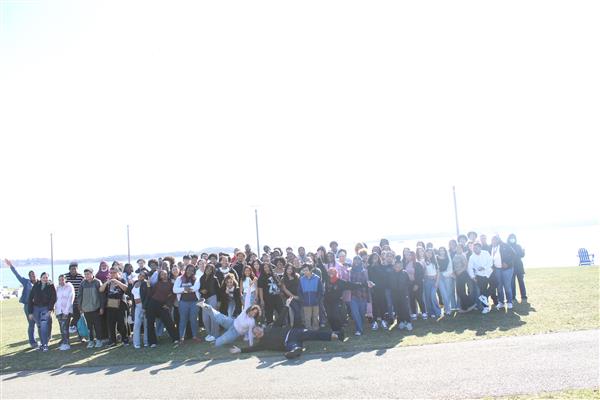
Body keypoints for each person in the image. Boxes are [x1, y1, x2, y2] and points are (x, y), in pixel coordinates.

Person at [230, 325, 340, 359]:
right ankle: (295, 351)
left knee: (311, 333)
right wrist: (240, 350)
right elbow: (253, 349)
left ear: (261, 328)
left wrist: (286, 306)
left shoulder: (270, 329)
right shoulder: (262, 343)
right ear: (256, 336)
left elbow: (280, 319)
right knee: (293, 346)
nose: (257, 332)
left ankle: (333, 335)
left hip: (293, 333)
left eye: (257, 329)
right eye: (255, 333)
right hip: (288, 343)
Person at [5, 259, 38, 348]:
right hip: (28, 306)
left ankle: (44, 340)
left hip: (37, 306)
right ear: (29, 276)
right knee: (31, 324)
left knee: (40, 323)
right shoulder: (26, 282)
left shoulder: (39, 283)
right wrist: (11, 266)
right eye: (31, 275)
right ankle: (32, 342)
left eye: (34, 274)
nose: (33, 276)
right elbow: (17, 275)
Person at [323, 267, 367, 335]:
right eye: (329, 273)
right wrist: (318, 260)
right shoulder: (327, 279)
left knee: (336, 316)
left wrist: (365, 284)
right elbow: (323, 269)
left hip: (336, 302)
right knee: (330, 316)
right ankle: (334, 330)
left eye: (332, 273)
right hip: (327, 303)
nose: (331, 274)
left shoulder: (340, 282)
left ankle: (339, 330)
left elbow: (352, 285)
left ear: (336, 273)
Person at [144, 270, 179, 347]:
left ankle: (175, 338)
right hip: (152, 303)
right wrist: (148, 285)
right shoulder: (157, 284)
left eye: (165, 274)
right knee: (150, 323)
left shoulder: (171, 284)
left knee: (169, 321)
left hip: (163, 305)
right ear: (160, 276)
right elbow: (150, 294)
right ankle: (152, 342)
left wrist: (168, 304)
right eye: (162, 274)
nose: (164, 275)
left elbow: (173, 295)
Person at [99, 266, 129, 346]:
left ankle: (125, 339)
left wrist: (116, 281)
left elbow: (126, 289)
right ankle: (112, 340)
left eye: (114, 272)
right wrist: (107, 282)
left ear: (118, 272)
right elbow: (101, 289)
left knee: (122, 323)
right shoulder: (108, 281)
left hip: (120, 304)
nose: (112, 274)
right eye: (111, 273)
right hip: (110, 304)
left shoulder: (122, 280)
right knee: (111, 324)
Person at [28, 272, 56, 352]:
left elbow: (53, 298)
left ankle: (45, 345)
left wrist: (50, 309)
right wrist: (30, 312)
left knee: (44, 326)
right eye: (43, 277)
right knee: (39, 326)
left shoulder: (51, 286)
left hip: (45, 308)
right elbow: (30, 298)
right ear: (40, 278)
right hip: (36, 309)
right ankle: (43, 343)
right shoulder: (36, 285)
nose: (45, 279)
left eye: (46, 277)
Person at [173, 265, 201, 343]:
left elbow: (196, 288)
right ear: (186, 269)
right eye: (189, 269)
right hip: (183, 302)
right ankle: (181, 338)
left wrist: (183, 290)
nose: (190, 271)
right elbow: (175, 290)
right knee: (183, 320)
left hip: (194, 302)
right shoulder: (179, 278)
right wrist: (185, 289)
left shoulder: (196, 278)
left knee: (194, 320)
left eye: (192, 270)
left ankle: (195, 336)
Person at [79, 268, 104, 348]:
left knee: (97, 326)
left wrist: (101, 307)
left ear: (92, 274)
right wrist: (80, 307)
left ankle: (99, 340)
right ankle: (91, 341)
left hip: (96, 308)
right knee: (89, 326)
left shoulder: (97, 282)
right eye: (85, 274)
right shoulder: (83, 283)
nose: (86, 276)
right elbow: (80, 296)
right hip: (86, 309)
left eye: (88, 274)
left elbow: (101, 295)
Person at [491, 235, 516, 310]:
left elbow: (513, 254)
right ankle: (501, 302)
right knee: (499, 287)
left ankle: (509, 302)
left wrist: (507, 263)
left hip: (507, 269)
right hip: (497, 269)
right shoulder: (492, 247)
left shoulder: (504, 245)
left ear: (498, 239)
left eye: (495, 239)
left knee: (507, 286)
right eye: (493, 240)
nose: (494, 241)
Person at [468, 243, 494, 314]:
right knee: (482, 291)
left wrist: (484, 267)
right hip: (480, 276)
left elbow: (490, 262)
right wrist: (473, 277)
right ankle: (485, 307)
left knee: (495, 284)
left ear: (480, 248)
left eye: (477, 248)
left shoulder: (486, 253)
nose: (475, 249)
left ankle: (485, 296)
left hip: (489, 273)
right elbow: (470, 268)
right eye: (474, 248)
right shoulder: (472, 257)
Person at [297, 265, 323, 330]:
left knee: (315, 317)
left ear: (310, 270)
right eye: (304, 270)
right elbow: (299, 291)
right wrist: (303, 299)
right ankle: (308, 330)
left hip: (315, 302)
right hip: (306, 302)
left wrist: (317, 299)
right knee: (307, 317)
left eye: (306, 270)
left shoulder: (317, 278)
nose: (304, 272)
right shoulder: (301, 279)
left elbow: (321, 290)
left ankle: (315, 329)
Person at [200, 263, 221, 341]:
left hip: (213, 297)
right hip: (204, 299)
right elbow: (200, 288)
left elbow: (219, 291)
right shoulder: (202, 278)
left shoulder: (215, 278)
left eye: (210, 269)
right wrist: (201, 290)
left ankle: (215, 334)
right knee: (205, 318)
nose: (208, 270)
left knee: (213, 317)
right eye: (207, 268)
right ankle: (209, 333)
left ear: (213, 271)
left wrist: (219, 301)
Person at [390, 256, 412, 331]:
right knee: (397, 308)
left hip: (403, 293)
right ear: (394, 266)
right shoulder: (391, 273)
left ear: (402, 266)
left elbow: (408, 282)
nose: (398, 268)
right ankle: (400, 321)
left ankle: (408, 322)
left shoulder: (404, 273)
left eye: (399, 266)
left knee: (405, 308)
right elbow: (389, 283)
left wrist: (405, 288)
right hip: (395, 294)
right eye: (396, 266)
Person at [349, 256, 369, 336]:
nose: (356, 262)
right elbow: (348, 282)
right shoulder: (350, 271)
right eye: (355, 260)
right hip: (353, 295)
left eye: (358, 260)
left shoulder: (365, 271)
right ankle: (359, 330)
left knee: (362, 314)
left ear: (361, 261)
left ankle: (360, 326)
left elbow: (367, 283)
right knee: (355, 313)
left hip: (363, 295)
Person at [368, 253, 389, 329]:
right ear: (371, 259)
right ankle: (375, 322)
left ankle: (383, 321)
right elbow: (368, 277)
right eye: (373, 257)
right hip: (372, 289)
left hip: (381, 289)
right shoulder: (369, 267)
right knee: (374, 306)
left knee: (382, 305)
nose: (375, 259)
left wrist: (376, 267)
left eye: (376, 257)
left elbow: (384, 276)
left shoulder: (382, 267)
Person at [454, 245, 477, 313]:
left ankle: (468, 306)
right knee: (459, 291)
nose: (458, 249)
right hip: (458, 275)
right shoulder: (455, 256)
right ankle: (467, 306)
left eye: (460, 248)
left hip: (463, 274)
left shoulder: (462, 256)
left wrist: (460, 271)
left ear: (462, 249)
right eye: (457, 248)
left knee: (461, 291)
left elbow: (466, 265)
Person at [64, 262, 84, 340]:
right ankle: (65, 338)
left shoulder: (81, 277)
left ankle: (80, 336)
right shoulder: (65, 277)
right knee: (66, 321)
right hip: (67, 303)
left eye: (75, 269)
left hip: (77, 302)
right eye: (72, 269)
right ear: (69, 269)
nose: (73, 270)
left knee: (78, 320)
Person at [404, 251, 426, 320]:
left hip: (417, 283)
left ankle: (424, 313)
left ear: (413, 256)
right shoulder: (405, 264)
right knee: (411, 299)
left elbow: (421, 275)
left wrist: (417, 284)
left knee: (419, 299)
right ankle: (414, 313)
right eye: (407, 255)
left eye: (410, 255)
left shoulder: (417, 264)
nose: (408, 256)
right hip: (409, 284)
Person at [55, 274, 75, 350]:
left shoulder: (69, 287)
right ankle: (64, 341)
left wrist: (66, 312)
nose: (61, 281)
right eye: (59, 280)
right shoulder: (57, 288)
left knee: (65, 328)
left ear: (65, 279)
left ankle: (66, 344)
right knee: (61, 328)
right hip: (59, 311)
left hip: (66, 311)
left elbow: (70, 299)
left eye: (62, 279)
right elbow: (56, 299)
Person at [131, 272, 149, 348]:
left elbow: (148, 296)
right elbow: (132, 295)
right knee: (137, 324)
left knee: (146, 324)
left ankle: (146, 341)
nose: (140, 276)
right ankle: (136, 343)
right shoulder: (135, 283)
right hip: (137, 306)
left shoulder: (147, 283)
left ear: (145, 276)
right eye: (139, 275)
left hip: (144, 306)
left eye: (143, 275)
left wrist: (144, 307)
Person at [507, 233, 527, 303]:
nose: (512, 239)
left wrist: (523, 252)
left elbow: (521, 255)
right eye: (511, 238)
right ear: (508, 239)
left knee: (521, 282)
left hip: (519, 267)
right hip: (511, 267)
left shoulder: (518, 246)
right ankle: (513, 297)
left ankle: (523, 296)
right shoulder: (507, 246)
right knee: (512, 283)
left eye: (513, 238)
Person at [437, 247, 456, 314]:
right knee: (443, 293)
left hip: (447, 275)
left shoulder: (448, 257)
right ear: (439, 251)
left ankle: (446, 308)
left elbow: (450, 267)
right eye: (440, 250)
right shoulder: (436, 258)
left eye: (443, 250)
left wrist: (448, 274)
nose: (442, 252)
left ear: (445, 251)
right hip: (439, 276)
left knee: (448, 292)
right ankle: (448, 309)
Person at [422, 249, 441, 319]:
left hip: (434, 281)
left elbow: (438, 273)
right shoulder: (423, 262)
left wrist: (437, 282)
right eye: (428, 253)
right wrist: (427, 276)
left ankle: (437, 311)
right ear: (425, 254)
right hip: (427, 281)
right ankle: (431, 312)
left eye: (430, 253)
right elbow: (423, 273)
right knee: (427, 297)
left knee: (433, 296)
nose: (429, 254)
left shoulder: (435, 262)